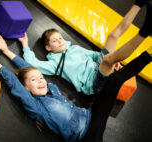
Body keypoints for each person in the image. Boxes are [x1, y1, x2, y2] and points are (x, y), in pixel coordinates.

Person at [0, 34, 152, 141]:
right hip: (86, 137)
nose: (41, 81)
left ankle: (149, 52)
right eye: (34, 82)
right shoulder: (36, 108)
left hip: (91, 115)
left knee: (114, 80)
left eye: (40, 78)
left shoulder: (50, 87)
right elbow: (15, 84)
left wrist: (6, 51)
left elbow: (30, 70)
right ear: (27, 89)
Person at [17, 1, 152, 95]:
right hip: (93, 83)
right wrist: (25, 46)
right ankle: (145, 32)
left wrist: (113, 60)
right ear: (48, 47)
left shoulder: (74, 49)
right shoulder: (54, 64)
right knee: (107, 60)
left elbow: (94, 55)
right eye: (54, 41)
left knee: (111, 37)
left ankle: (138, 4)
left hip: (98, 67)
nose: (59, 41)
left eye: (60, 38)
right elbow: (34, 64)